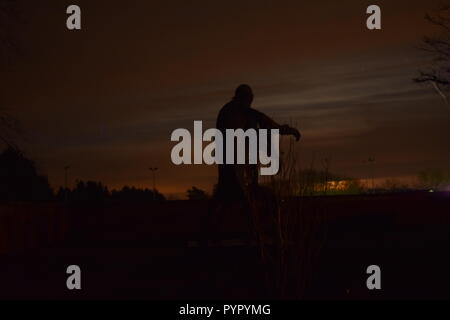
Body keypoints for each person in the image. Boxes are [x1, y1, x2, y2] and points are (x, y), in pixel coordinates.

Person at [215, 84, 301, 201]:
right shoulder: (242, 112)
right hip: (237, 162)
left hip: (229, 161)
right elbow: (264, 125)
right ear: (245, 97)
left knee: (228, 195)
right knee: (242, 196)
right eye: (249, 98)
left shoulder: (227, 110)